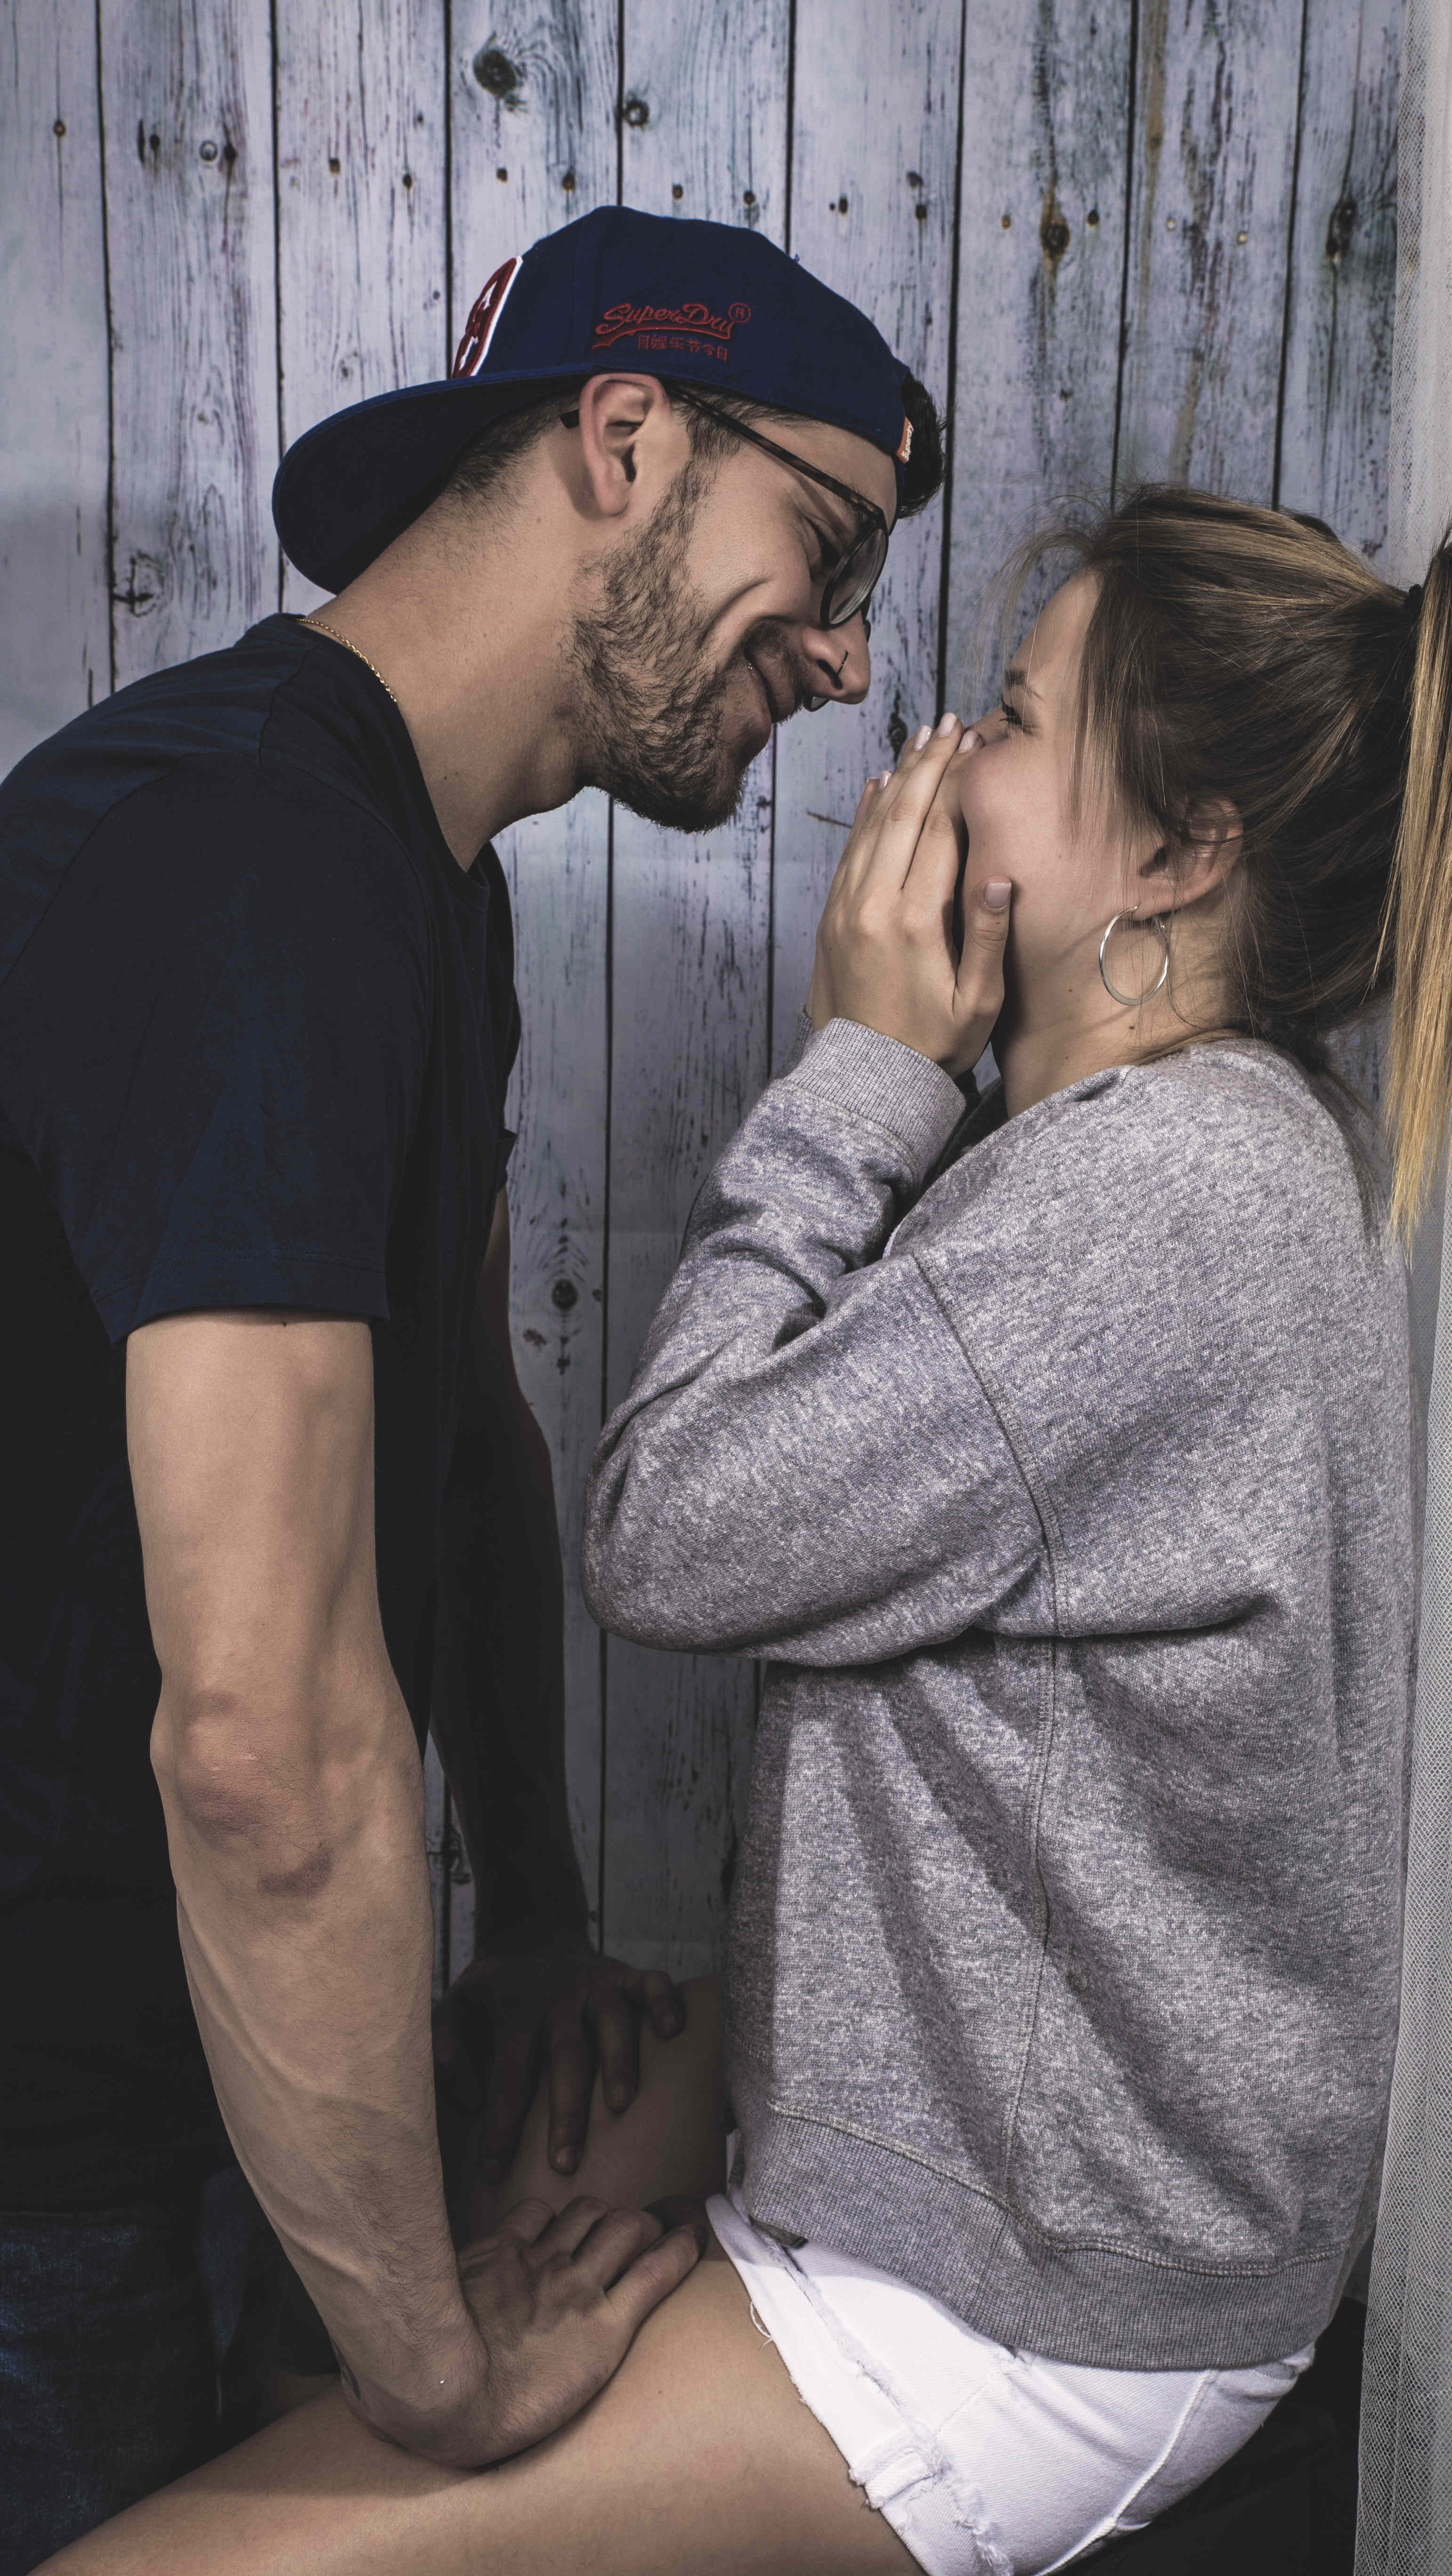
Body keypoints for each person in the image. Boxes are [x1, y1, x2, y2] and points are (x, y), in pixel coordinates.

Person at [36, 489, 1452, 2576]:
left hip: (1027, 2301)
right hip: (1033, 2159)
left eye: (1016, 718)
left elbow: (667, 1528)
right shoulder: (1174, 1146)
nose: (934, 752)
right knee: (430, 2173)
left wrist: (862, 1072)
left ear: (1180, 854)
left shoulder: (1165, 1200)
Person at [0, 203, 945, 2567]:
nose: (848, 657)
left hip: (202, 2092)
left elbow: (462, 1439)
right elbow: (260, 1740)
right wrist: (431, 2368)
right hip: (38, 2163)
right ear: (626, 438)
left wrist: (528, 1898)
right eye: (828, 550)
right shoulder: (250, 860)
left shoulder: (422, 881)